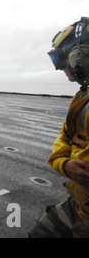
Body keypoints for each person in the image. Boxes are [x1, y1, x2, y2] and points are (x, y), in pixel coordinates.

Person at [29, 17, 89, 237]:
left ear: (79, 56)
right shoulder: (81, 98)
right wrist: (63, 163)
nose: (61, 68)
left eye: (63, 59)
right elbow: (65, 137)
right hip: (79, 206)